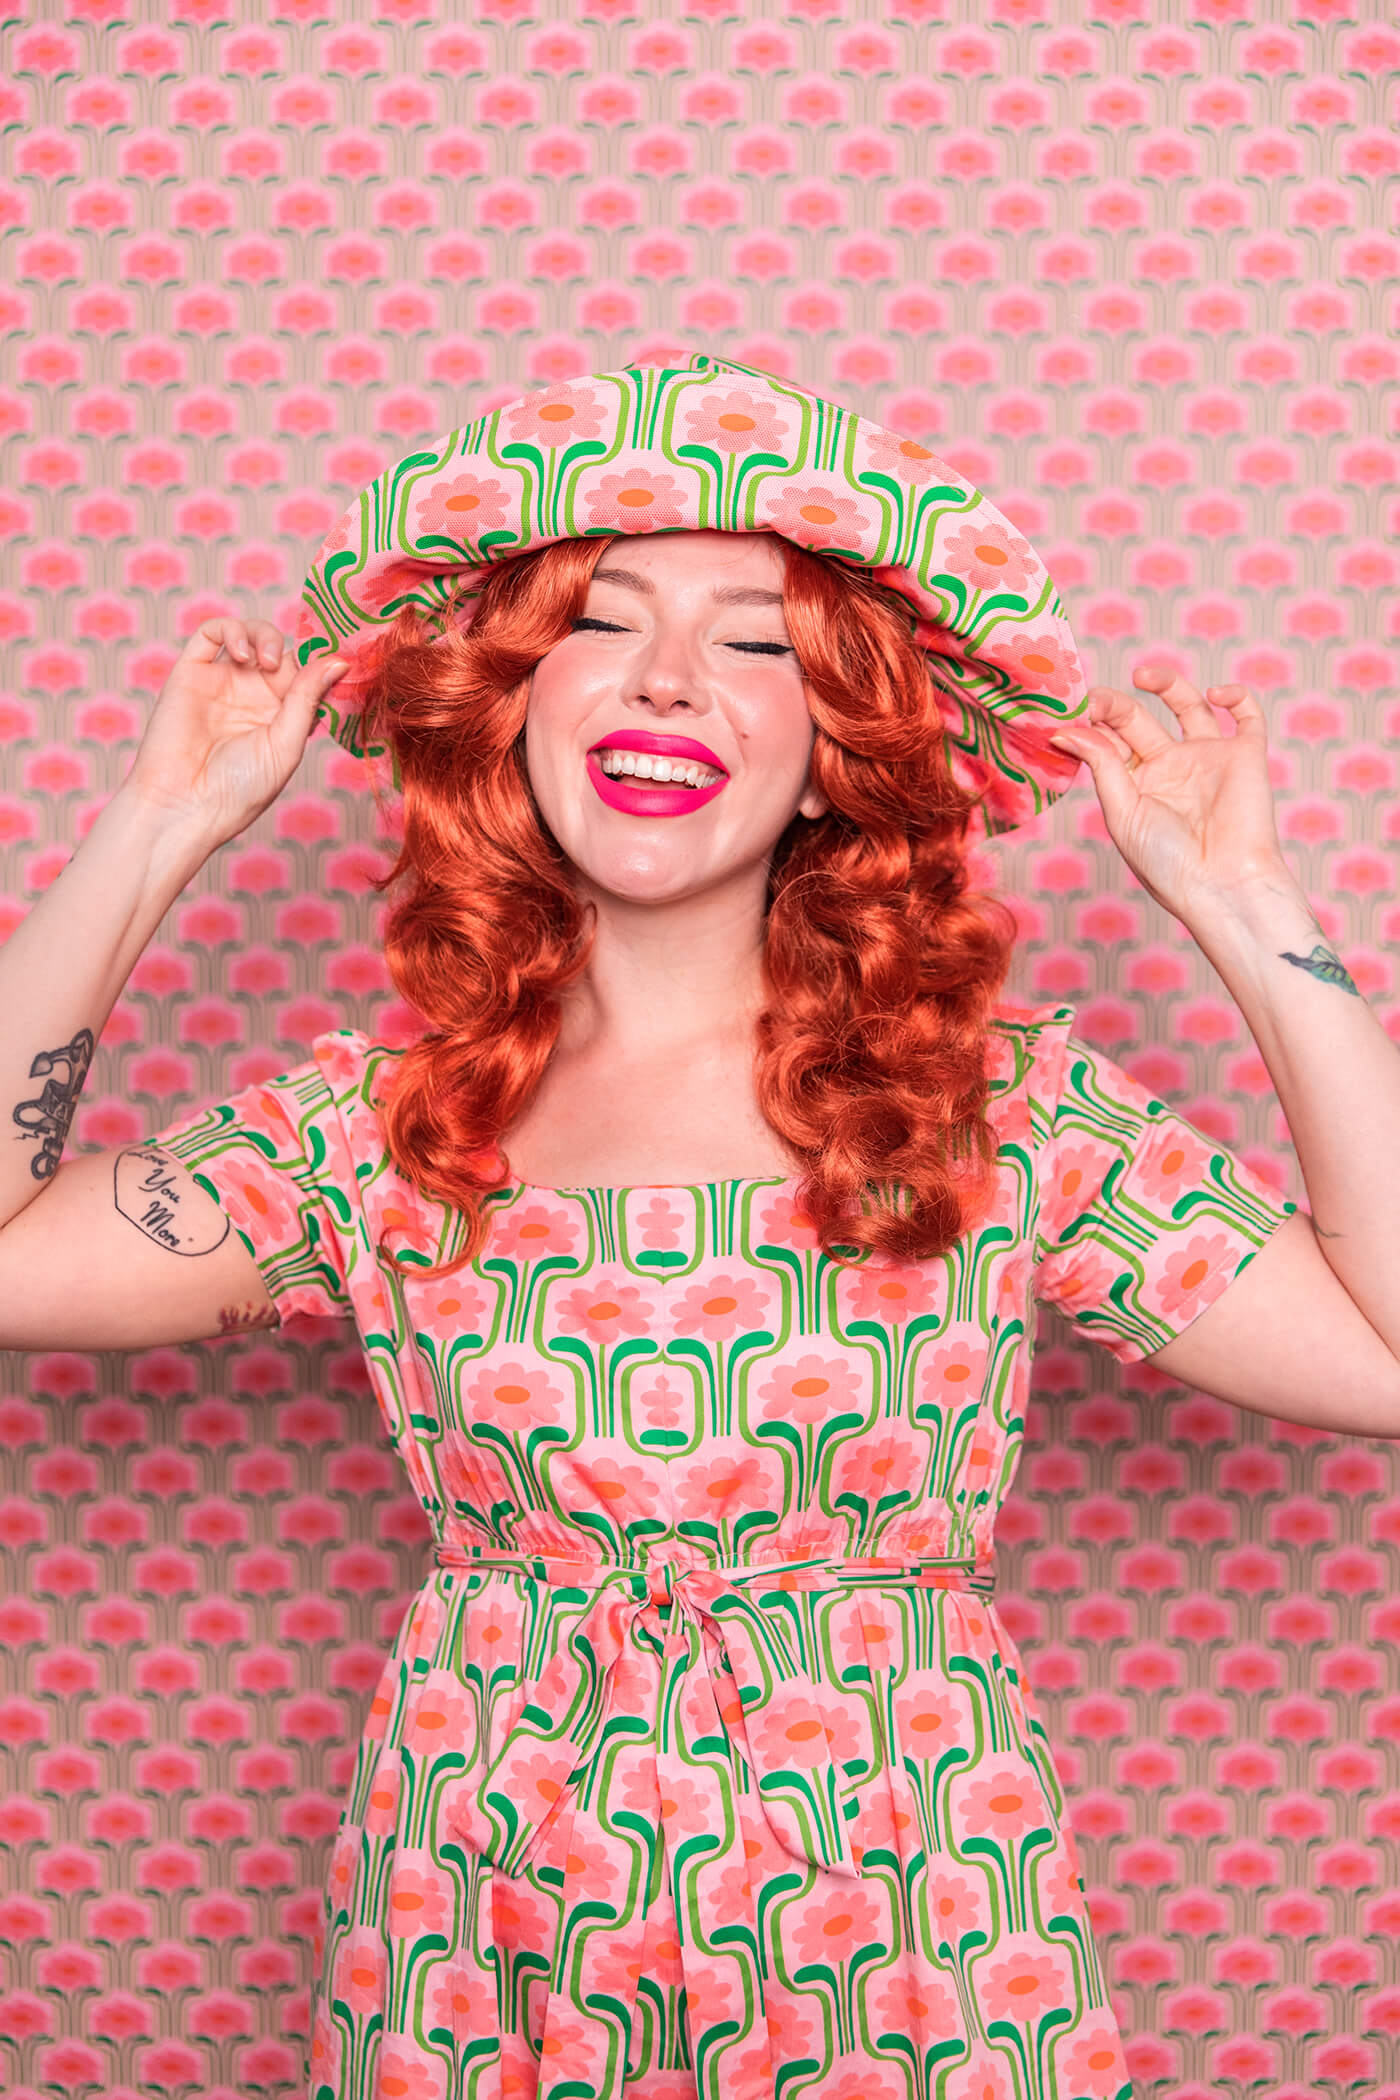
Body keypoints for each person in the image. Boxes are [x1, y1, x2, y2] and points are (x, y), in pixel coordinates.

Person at [3, 354, 1397, 2100]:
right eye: (604, 619)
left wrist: (1244, 901)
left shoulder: (998, 1106)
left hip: (909, 1927)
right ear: (512, 700)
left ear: (832, 754)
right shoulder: (381, 1128)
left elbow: (1390, 1355)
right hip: (479, 1930)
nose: (671, 677)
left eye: (757, 642)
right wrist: (157, 829)